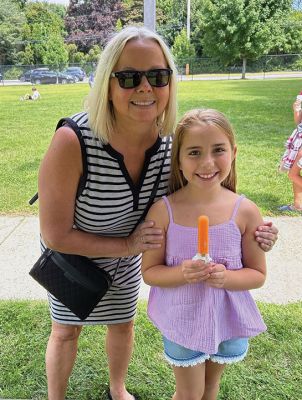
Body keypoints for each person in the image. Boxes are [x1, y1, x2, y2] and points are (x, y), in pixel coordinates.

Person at [38, 26, 278, 400]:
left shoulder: (173, 144)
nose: (145, 87)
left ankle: (118, 389)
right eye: (129, 77)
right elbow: (54, 234)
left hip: (132, 255)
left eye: (158, 76)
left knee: (122, 323)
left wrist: (256, 232)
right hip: (77, 256)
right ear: (107, 84)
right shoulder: (73, 140)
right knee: (66, 330)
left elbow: (205, 194)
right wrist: (128, 244)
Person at [142, 108, 267, 400]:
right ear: (179, 160)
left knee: (210, 389)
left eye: (218, 150)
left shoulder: (245, 211)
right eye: (194, 152)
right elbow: (149, 272)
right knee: (189, 393)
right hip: (182, 318)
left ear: (233, 152)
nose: (207, 162)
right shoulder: (164, 211)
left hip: (225, 320)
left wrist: (226, 278)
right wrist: (181, 273)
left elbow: (257, 275)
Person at [278, 95, 302, 212]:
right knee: (294, 172)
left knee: (292, 174)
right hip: (299, 140)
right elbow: (299, 124)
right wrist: (296, 110)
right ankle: (298, 205)